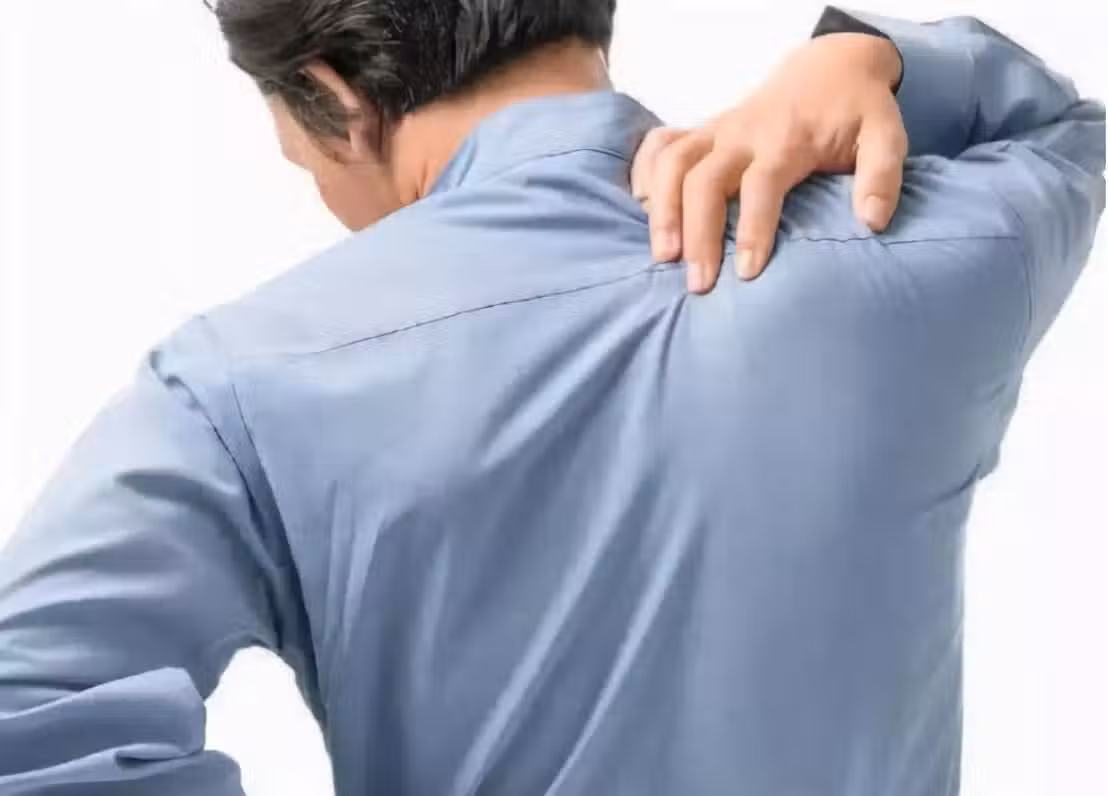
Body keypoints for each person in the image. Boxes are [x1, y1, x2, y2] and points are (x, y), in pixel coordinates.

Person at [0, 4, 1102, 796]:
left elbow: (23, 713)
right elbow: (1065, 135)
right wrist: (864, 57)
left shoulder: (234, 382)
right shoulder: (906, 253)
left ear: (337, 97)